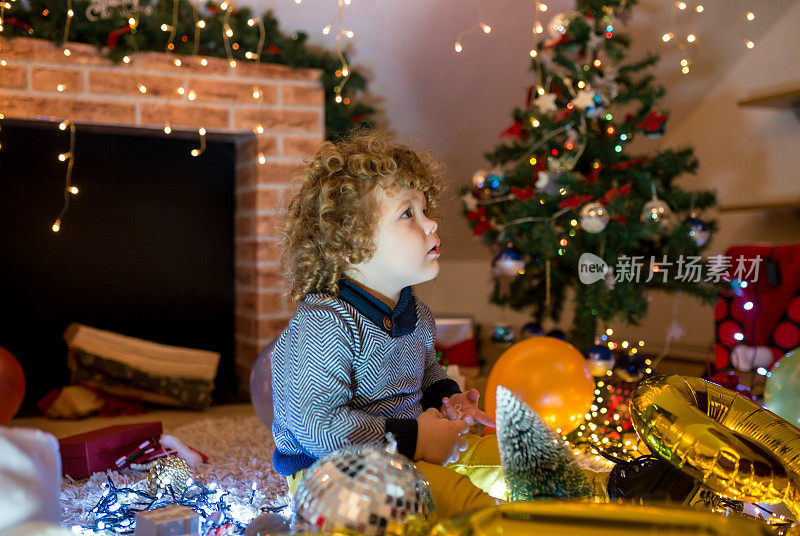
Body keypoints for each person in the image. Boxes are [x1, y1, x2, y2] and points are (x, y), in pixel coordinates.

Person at [269, 131, 505, 517]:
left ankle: (606, 491)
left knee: (511, 458)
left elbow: (425, 370)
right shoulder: (324, 324)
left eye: (426, 211)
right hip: (336, 470)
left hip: (409, 447)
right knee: (467, 504)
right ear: (349, 240)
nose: (431, 225)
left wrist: (448, 400)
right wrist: (416, 440)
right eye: (408, 214)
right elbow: (318, 427)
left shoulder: (416, 313)